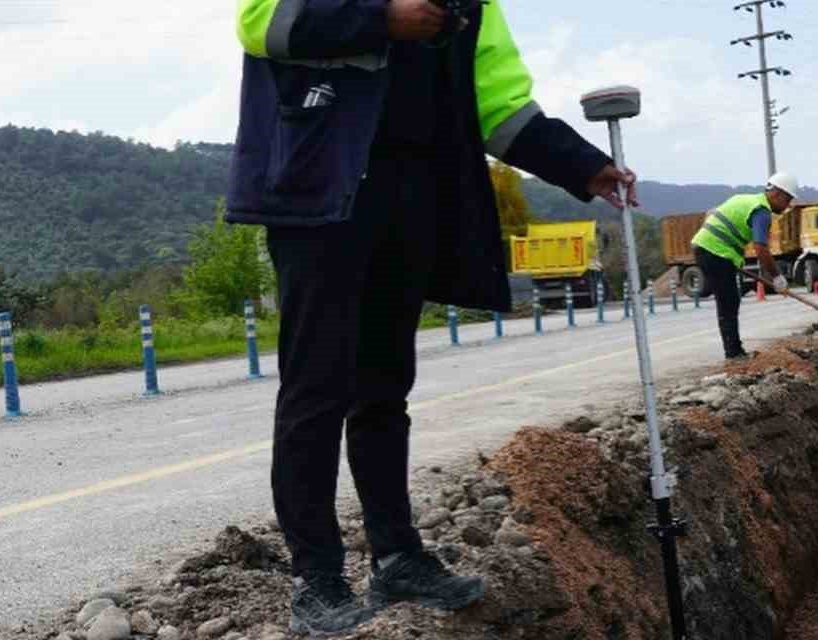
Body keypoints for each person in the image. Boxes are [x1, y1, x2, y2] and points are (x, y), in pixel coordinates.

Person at [224, 0, 639, 635]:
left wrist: (580, 165)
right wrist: (383, 19)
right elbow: (263, 22)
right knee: (317, 387)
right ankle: (317, 578)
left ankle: (396, 556)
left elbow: (499, 105)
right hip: (318, 190)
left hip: (409, 198)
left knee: (385, 389)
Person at [691, 172, 798, 361]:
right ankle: (733, 353)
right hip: (715, 252)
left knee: (729, 300)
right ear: (777, 194)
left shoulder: (746, 199)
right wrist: (777, 277)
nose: (788, 205)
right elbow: (760, 247)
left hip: (708, 249)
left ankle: (734, 351)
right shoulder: (762, 211)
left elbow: (710, 213)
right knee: (728, 302)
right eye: (787, 199)